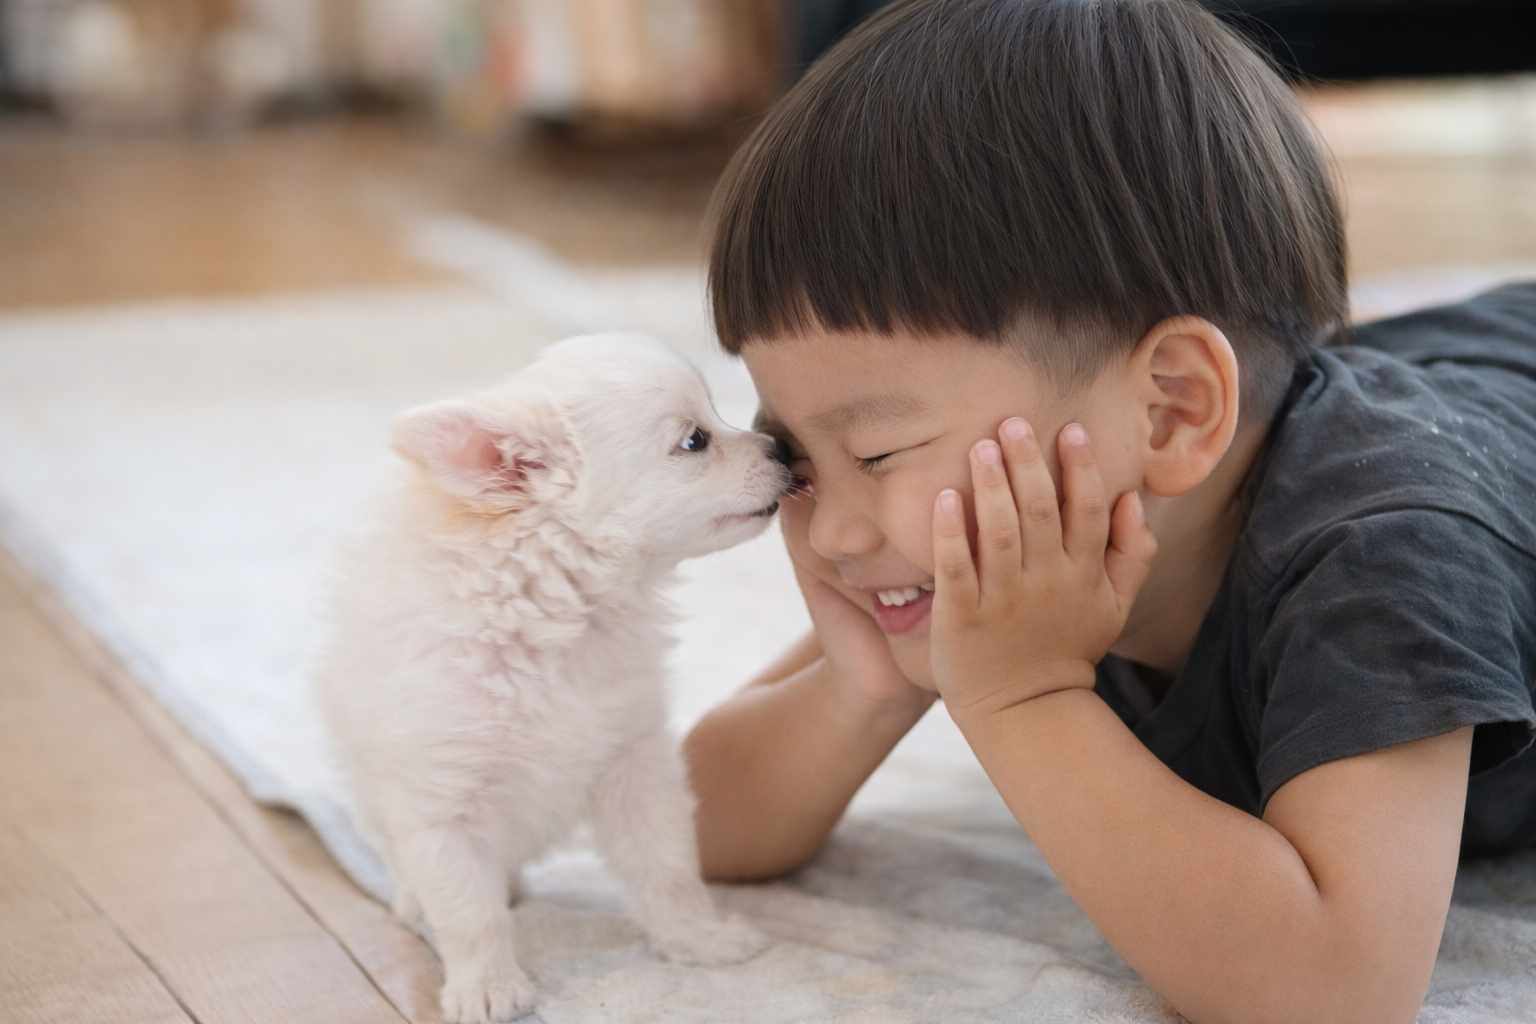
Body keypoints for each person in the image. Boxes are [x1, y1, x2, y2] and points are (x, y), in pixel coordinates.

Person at [680, 1, 1536, 1021]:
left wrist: (1025, 698)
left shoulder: (1384, 543)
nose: (834, 532)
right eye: (800, 456)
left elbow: (1334, 986)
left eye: (876, 451)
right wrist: (859, 691)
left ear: (1171, 409)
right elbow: (692, 825)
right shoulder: (1013, 535)